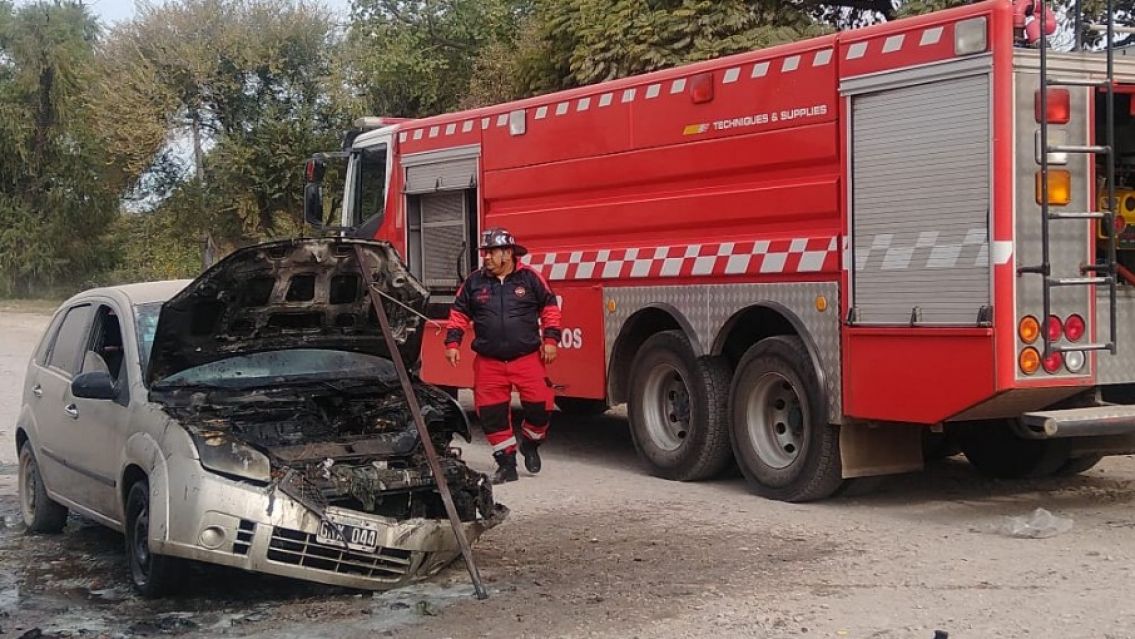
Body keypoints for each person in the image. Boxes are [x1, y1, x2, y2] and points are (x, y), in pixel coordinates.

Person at [444, 228, 561, 484]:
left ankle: (531, 443)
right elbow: (459, 314)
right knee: (491, 414)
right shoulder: (474, 282)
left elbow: (550, 308)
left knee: (541, 406)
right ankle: (506, 464)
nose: (485, 257)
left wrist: (551, 340)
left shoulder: (531, 279)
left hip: (527, 358)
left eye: (490, 252)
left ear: (507, 253)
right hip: (488, 363)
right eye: (484, 253)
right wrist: (452, 343)